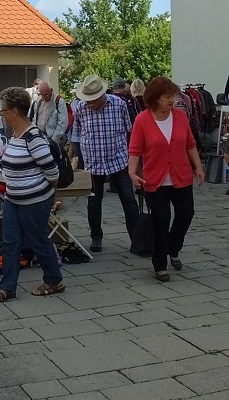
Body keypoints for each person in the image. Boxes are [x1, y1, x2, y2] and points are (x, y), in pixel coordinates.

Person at [0, 87, 65, 303]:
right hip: (14, 199)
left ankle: (54, 280)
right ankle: (8, 287)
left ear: (14, 111)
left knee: (38, 240)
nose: (1, 114)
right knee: (10, 242)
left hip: (35, 200)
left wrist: (45, 194)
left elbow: (52, 172)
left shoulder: (33, 136)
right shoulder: (15, 135)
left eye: (3, 110)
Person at [128, 76, 204, 282]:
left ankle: (174, 247)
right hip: (155, 179)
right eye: (167, 97)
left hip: (181, 176)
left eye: (173, 97)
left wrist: (198, 166)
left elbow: (190, 144)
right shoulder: (142, 120)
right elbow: (135, 150)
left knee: (186, 214)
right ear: (155, 98)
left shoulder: (180, 117)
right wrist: (133, 173)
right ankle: (160, 264)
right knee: (161, 220)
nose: (172, 101)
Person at [73, 74, 139, 252]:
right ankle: (96, 237)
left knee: (128, 198)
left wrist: (134, 159)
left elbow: (128, 131)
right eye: (87, 100)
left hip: (118, 160)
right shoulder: (80, 108)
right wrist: (79, 162)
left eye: (92, 100)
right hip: (93, 161)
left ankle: (136, 238)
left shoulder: (119, 104)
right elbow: (78, 135)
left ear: (101, 95)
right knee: (94, 202)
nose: (89, 104)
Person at [29, 81, 68, 146]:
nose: (44, 97)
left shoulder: (58, 101)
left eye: (46, 94)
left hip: (52, 138)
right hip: (39, 136)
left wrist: (54, 139)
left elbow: (63, 123)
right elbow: (34, 118)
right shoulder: (38, 101)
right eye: (42, 95)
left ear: (51, 90)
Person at [68, 94, 84, 170]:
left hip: (77, 136)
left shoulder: (77, 104)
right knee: (79, 161)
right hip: (76, 137)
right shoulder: (75, 103)